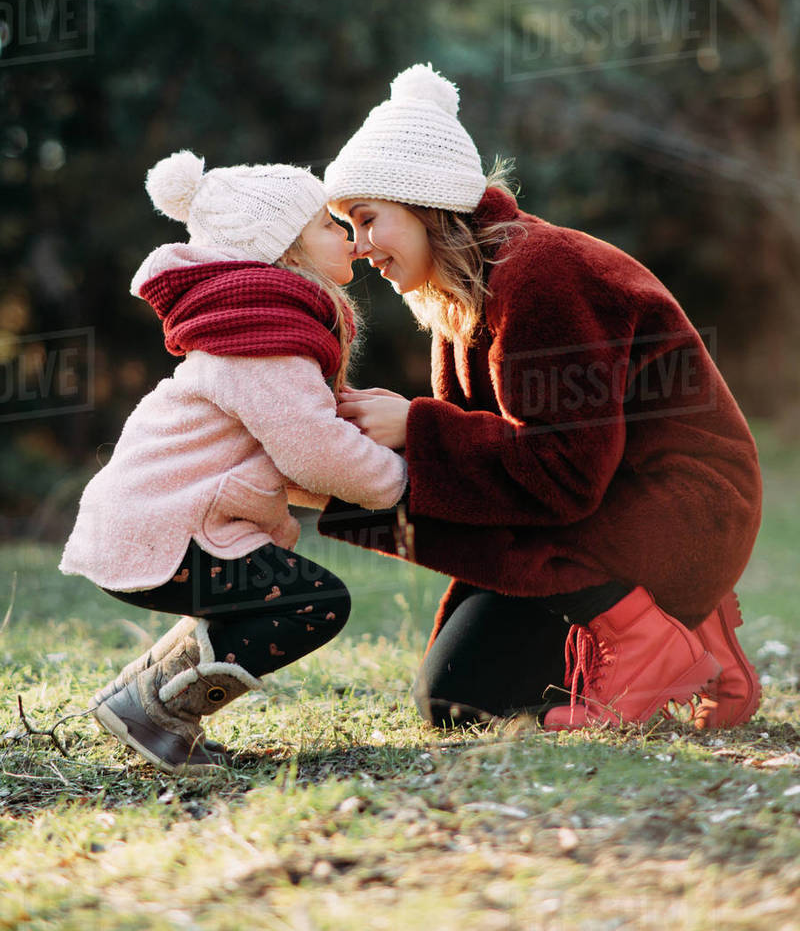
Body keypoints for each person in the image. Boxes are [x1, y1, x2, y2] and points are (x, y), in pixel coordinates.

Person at [318, 63, 763, 731]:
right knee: (459, 700)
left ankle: (660, 629)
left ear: (423, 199)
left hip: (683, 513)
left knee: (469, 705)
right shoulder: (462, 300)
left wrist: (416, 427)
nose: (359, 248)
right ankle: (690, 635)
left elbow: (563, 476)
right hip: (605, 514)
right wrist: (342, 473)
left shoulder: (542, 275)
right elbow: (488, 483)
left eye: (366, 218)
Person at [60, 151, 407, 773]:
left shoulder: (258, 333)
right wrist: (395, 481)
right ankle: (156, 709)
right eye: (331, 225)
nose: (352, 240)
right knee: (311, 602)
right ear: (284, 251)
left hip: (156, 523)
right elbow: (313, 449)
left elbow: (292, 456)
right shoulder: (262, 343)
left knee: (268, 597)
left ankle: (133, 696)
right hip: (166, 528)